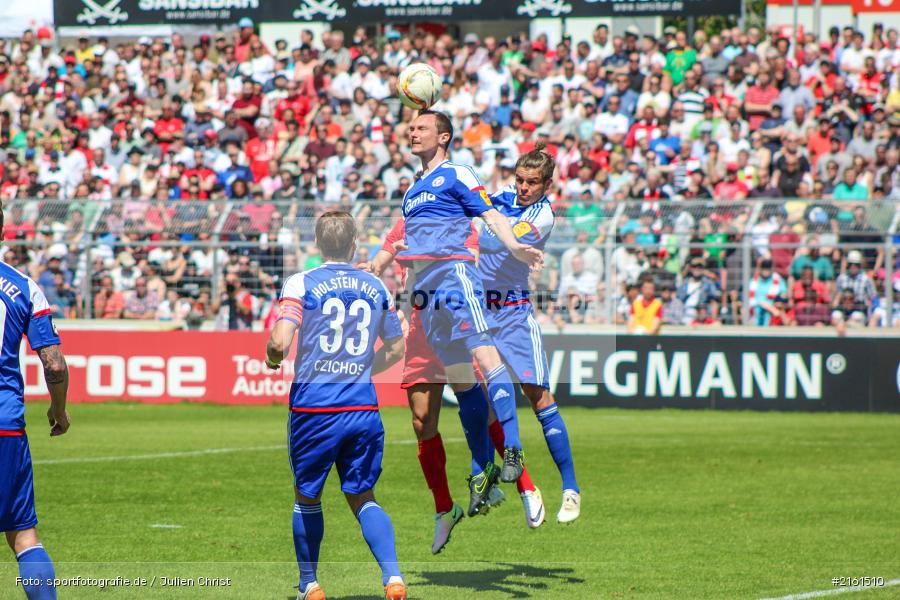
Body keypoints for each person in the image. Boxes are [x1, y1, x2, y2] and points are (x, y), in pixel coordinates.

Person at [363, 218, 540, 553]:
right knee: (421, 420)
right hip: (420, 331)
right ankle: (445, 509)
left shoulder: (461, 224)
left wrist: (416, 257)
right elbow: (382, 258)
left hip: (456, 324)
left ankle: (526, 487)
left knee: (485, 412)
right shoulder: (405, 224)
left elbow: (468, 262)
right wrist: (370, 266)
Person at [397, 110, 542, 512]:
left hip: (453, 276)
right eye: (411, 127)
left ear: (443, 137)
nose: (412, 131)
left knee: (484, 355)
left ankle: (512, 449)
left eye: (421, 127)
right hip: (424, 295)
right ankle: (482, 469)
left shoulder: (458, 174)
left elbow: (490, 215)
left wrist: (515, 246)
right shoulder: (412, 191)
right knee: (462, 381)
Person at [264, 212, 407, 600]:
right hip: (362, 408)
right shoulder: (376, 286)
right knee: (363, 495)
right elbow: (396, 348)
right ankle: (393, 578)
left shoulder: (302, 282)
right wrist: (362, 368)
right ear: (355, 243)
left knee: (307, 495)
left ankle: (309, 584)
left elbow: (280, 342)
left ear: (317, 243)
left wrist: (273, 357)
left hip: (315, 410)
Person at [478, 145, 581, 524]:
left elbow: (493, 241)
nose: (523, 188)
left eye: (532, 183)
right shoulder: (502, 198)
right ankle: (513, 482)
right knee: (485, 404)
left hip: (514, 314)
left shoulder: (543, 215)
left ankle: (570, 489)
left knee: (538, 396)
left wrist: (481, 222)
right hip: (481, 311)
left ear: (546, 184)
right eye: (520, 180)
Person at [1, 207, 70, 600]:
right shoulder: (24, 286)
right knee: (24, 535)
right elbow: (54, 363)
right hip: (5, 426)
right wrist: (58, 410)